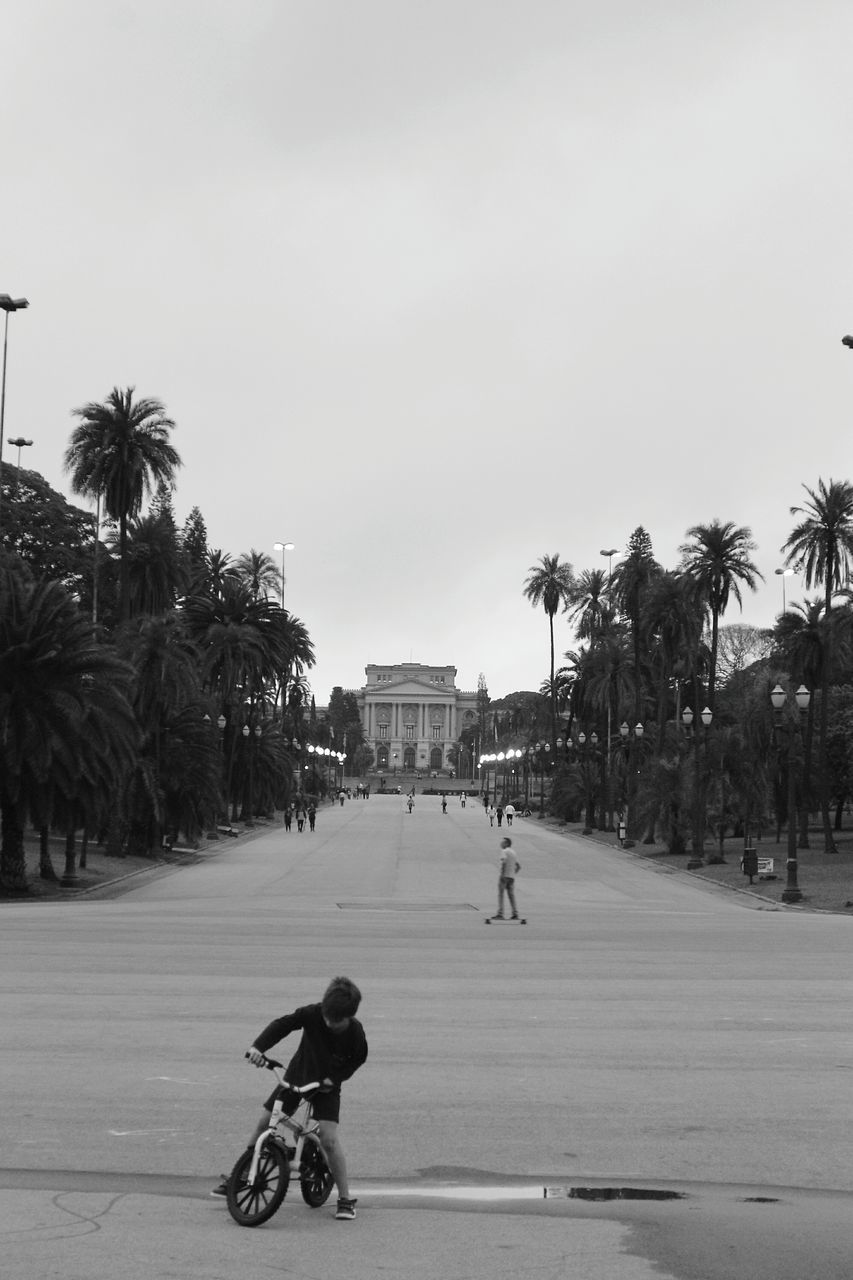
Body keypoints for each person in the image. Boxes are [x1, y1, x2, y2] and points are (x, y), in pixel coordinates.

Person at [212, 976, 368, 1221]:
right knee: (265, 1121)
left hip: (326, 1085)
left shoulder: (355, 1032)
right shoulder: (313, 1013)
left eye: (336, 1021)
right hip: (298, 1075)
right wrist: (257, 1048)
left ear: (349, 1016)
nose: (328, 1022)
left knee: (328, 1139)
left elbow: (358, 1059)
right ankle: (240, 1177)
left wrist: (336, 1078)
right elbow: (283, 1025)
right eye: (327, 1016)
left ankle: (345, 1199)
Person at [491, 836, 520, 920]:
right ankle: (515, 913)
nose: (501, 843)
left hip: (504, 877)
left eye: (503, 842)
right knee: (511, 895)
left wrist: (503, 874)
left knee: (501, 895)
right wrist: (513, 874)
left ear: (507, 843)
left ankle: (500, 914)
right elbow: (518, 866)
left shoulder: (504, 851)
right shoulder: (513, 852)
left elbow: (503, 863)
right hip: (511, 878)